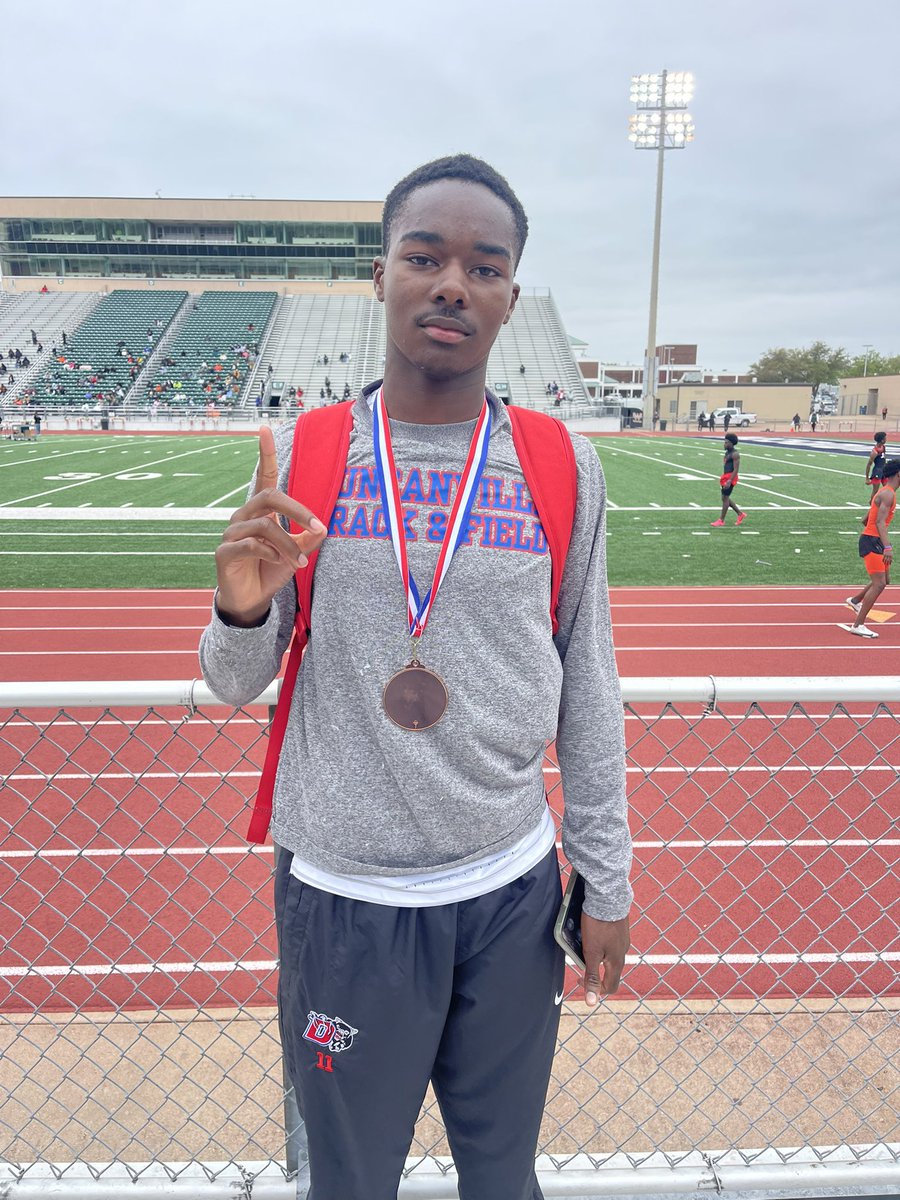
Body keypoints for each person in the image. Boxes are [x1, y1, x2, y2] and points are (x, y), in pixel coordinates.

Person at [199, 153, 632, 1200]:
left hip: (509, 894)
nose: (452, 283)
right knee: (349, 1183)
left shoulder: (560, 463)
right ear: (381, 274)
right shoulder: (310, 455)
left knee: (502, 1178)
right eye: (424, 256)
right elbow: (231, 684)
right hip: (345, 897)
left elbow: (590, 679)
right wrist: (243, 605)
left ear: (511, 299)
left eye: (484, 266)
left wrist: (604, 877)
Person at [841, 459, 900, 638]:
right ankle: (858, 625)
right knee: (879, 583)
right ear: (898, 474)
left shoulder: (884, 493)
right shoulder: (888, 494)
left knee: (885, 580)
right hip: (873, 541)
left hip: (876, 539)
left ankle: (856, 600)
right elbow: (879, 522)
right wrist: (887, 547)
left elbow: (866, 519)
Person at [711, 432, 746, 527]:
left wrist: (729, 480)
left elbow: (736, 469)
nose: (724, 444)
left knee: (725, 498)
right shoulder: (727, 453)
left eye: (726, 442)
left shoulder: (735, 454)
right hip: (726, 476)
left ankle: (721, 520)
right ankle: (740, 514)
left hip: (730, 477)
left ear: (731, 443)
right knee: (724, 497)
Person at [866, 432, 888, 499]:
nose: (886, 439)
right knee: (875, 491)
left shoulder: (883, 447)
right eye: (885, 438)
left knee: (887, 489)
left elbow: (884, 458)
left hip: (884, 471)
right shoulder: (874, 452)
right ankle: (872, 506)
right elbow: (869, 465)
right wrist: (867, 478)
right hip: (877, 472)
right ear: (882, 440)